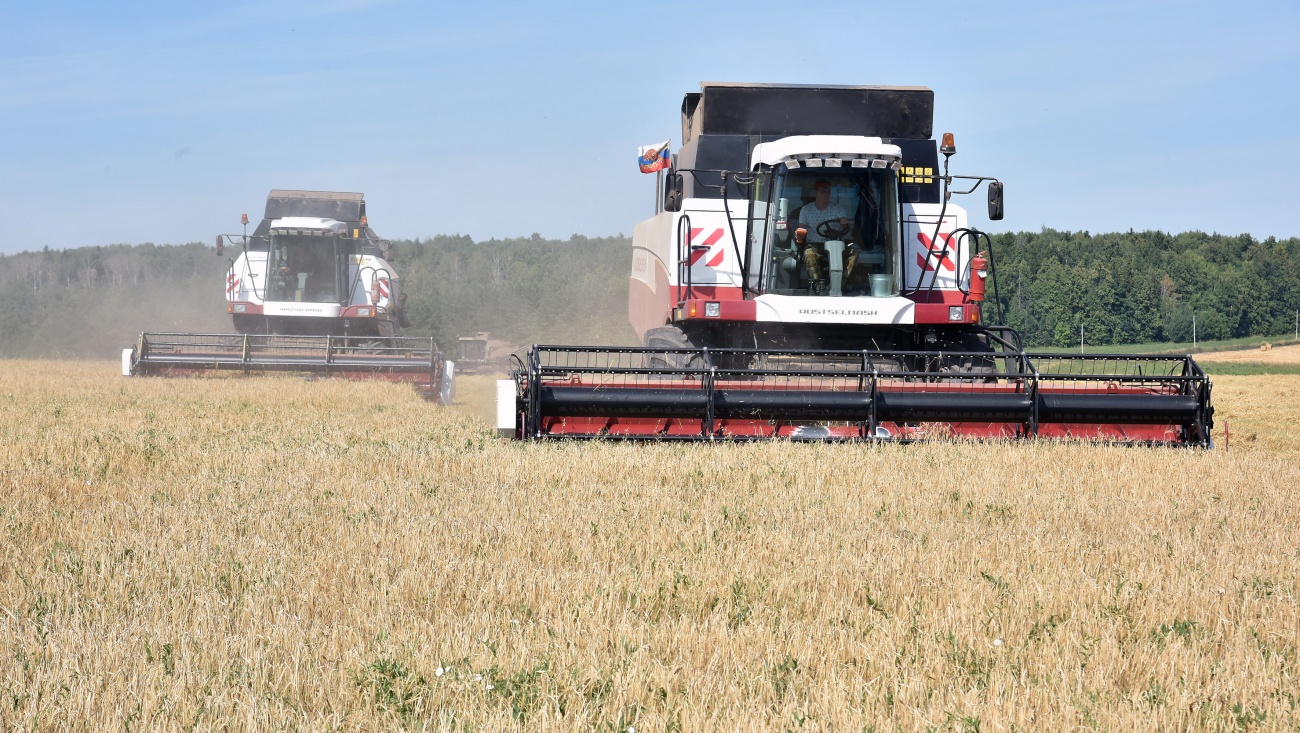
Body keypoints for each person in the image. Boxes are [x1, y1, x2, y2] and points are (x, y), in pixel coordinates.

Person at [796, 179, 857, 294]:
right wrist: (799, 235)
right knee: (809, 254)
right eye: (823, 191)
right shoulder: (806, 210)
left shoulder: (837, 208)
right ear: (815, 192)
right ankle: (819, 284)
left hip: (836, 243)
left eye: (828, 191)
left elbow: (845, 223)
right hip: (815, 244)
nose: (827, 194)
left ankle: (840, 284)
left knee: (853, 253)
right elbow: (801, 229)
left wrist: (844, 222)